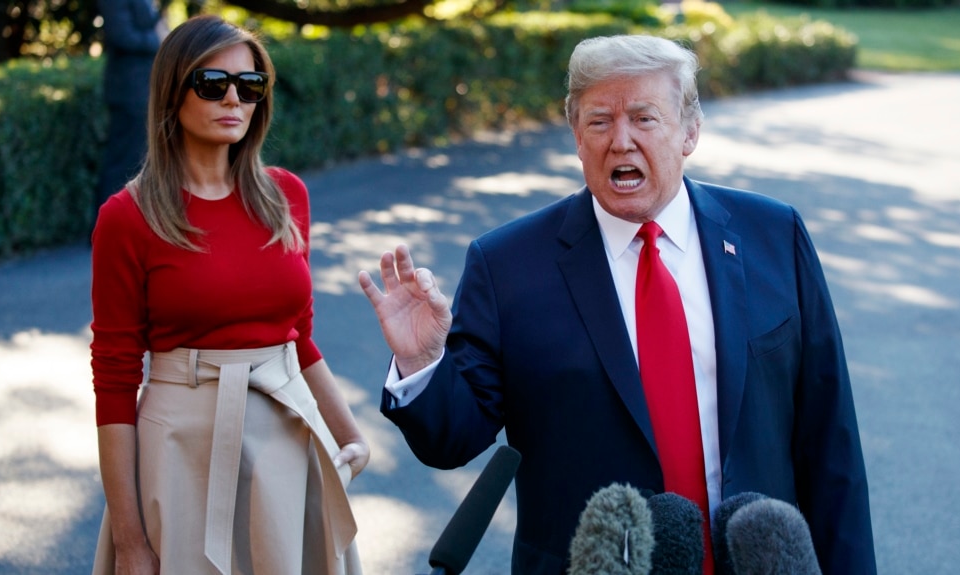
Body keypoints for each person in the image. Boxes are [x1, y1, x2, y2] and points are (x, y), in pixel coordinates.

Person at [358, 34, 875, 574]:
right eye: (600, 121)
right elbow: (451, 440)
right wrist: (422, 362)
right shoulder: (508, 265)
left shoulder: (773, 235)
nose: (621, 141)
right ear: (577, 138)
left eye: (644, 118)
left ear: (690, 131)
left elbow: (830, 442)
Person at [90, 15, 367, 574]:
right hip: (180, 451)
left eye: (250, 85)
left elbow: (301, 338)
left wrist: (350, 434)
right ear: (173, 91)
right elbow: (115, 377)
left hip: (287, 445)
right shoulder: (127, 217)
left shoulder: (286, 195)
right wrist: (128, 540)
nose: (234, 99)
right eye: (213, 84)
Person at [94, 0, 168, 229]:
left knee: (138, 158)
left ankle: (129, 224)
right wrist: (162, 42)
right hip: (129, 91)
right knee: (122, 160)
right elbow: (122, 36)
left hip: (143, 89)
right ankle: (104, 226)